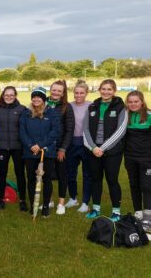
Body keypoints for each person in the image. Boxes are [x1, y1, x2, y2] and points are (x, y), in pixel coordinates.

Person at [84, 79, 127, 221]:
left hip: (112, 152)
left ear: (114, 91)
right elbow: (85, 129)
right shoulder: (92, 106)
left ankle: (116, 211)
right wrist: (93, 147)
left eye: (109, 89)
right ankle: (96, 208)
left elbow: (120, 131)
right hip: (94, 151)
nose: (106, 92)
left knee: (112, 180)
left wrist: (102, 148)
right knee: (96, 180)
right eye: (103, 89)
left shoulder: (121, 107)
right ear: (99, 90)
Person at [19, 87, 60, 217]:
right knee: (31, 178)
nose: (36, 99)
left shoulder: (51, 112)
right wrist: (31, 145)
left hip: (46, 152)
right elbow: (22, 131)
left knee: (47, 179)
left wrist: (40, 145)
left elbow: (55, 131)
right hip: (29, 152)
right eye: (34, 97)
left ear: (43, 99)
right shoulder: (26, 113)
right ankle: (33, 205)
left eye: (39, 97)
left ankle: (46, 206)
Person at [0, 86, 27, 211]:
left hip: (18, 147)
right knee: (2, 173)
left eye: (12, 95)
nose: (9, 97)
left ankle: (22, 200)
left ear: (15, 95)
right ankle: (1, 199)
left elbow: (28, 126)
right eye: (7, 95)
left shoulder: (22, 109)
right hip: (1, 147)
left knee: (20, 173)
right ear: (3, 95)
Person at [46, 80, 75, 215]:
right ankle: (49, 201)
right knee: (46, 175)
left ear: (63, 93)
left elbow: (70, 130)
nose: (56, 92)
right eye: (54, 90)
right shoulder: (43, 102)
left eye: (59, 91)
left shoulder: (66, 107)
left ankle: (61, 203)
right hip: (45, 147)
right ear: (50, 90)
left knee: (62, 175)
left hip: (60, 148)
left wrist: (63, 148)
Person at [123, 91, 151, 227]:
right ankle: (138, 212)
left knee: (146, 186)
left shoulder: (149, 116)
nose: (133, 104)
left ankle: (148, 216)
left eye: (136, 101)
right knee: (134, 184)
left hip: (147, 158)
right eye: (130, 102)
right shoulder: (125, 116)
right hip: (130, 157)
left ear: (142, 102)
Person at [65, 80, 92, 212]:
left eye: (82, 93)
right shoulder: (68, 106)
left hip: (87, 143)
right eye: (76, 92)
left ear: (86, 93)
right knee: (71, 172)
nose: (79, 95)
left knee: (87, 174)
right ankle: (73, 198)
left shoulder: (92, 106)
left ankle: (85, 202)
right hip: (71, 143)